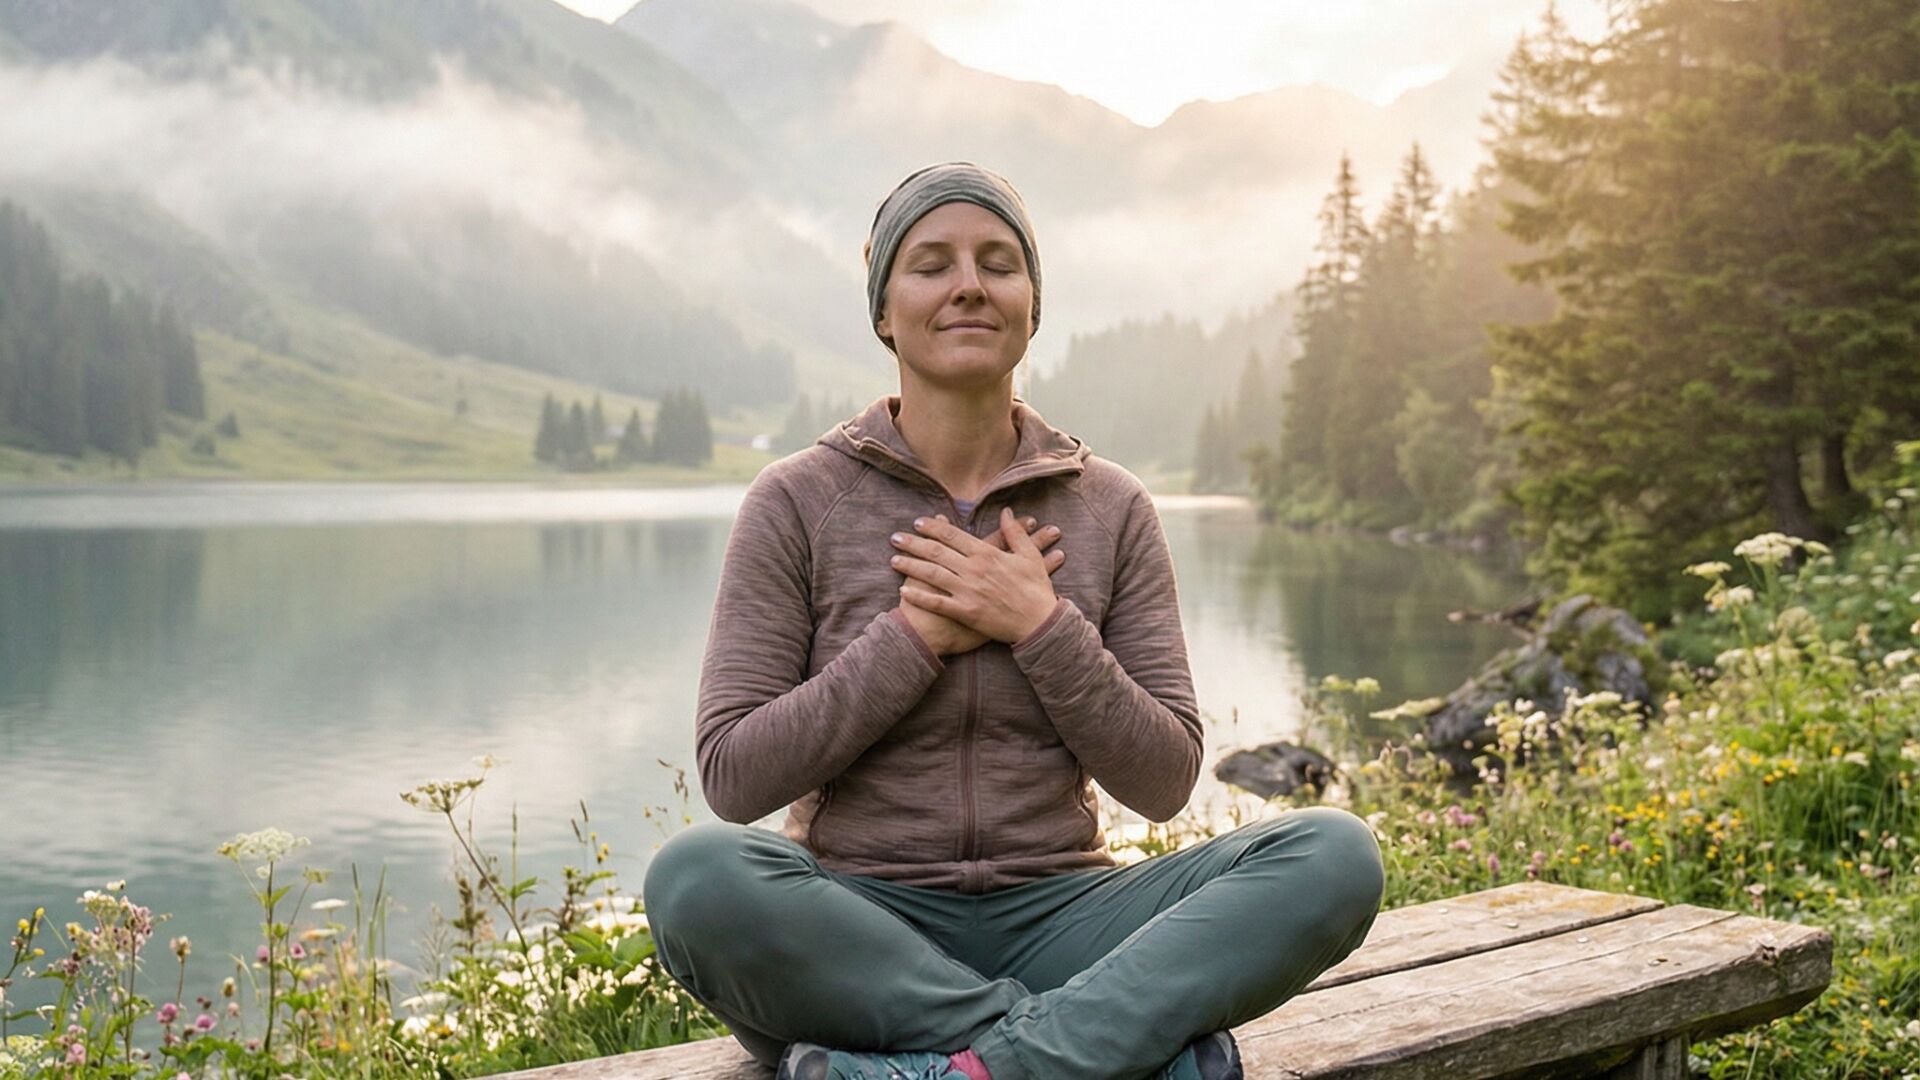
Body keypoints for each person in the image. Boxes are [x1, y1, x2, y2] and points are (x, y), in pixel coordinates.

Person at [642, 162, 1385, 1080]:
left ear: (1032, 306)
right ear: (884, 310)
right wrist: (914, 640)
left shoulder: (1112, 507)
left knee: (1333, 854)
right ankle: (1095, 1047)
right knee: (695, 879)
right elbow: (733, 774)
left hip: (1071, 914)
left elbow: (1164, 780)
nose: (968, 284)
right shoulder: (795, 502)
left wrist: (1041, 626)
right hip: (863, 927)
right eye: (931, 263)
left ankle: (943, 1069)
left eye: (999, 262)